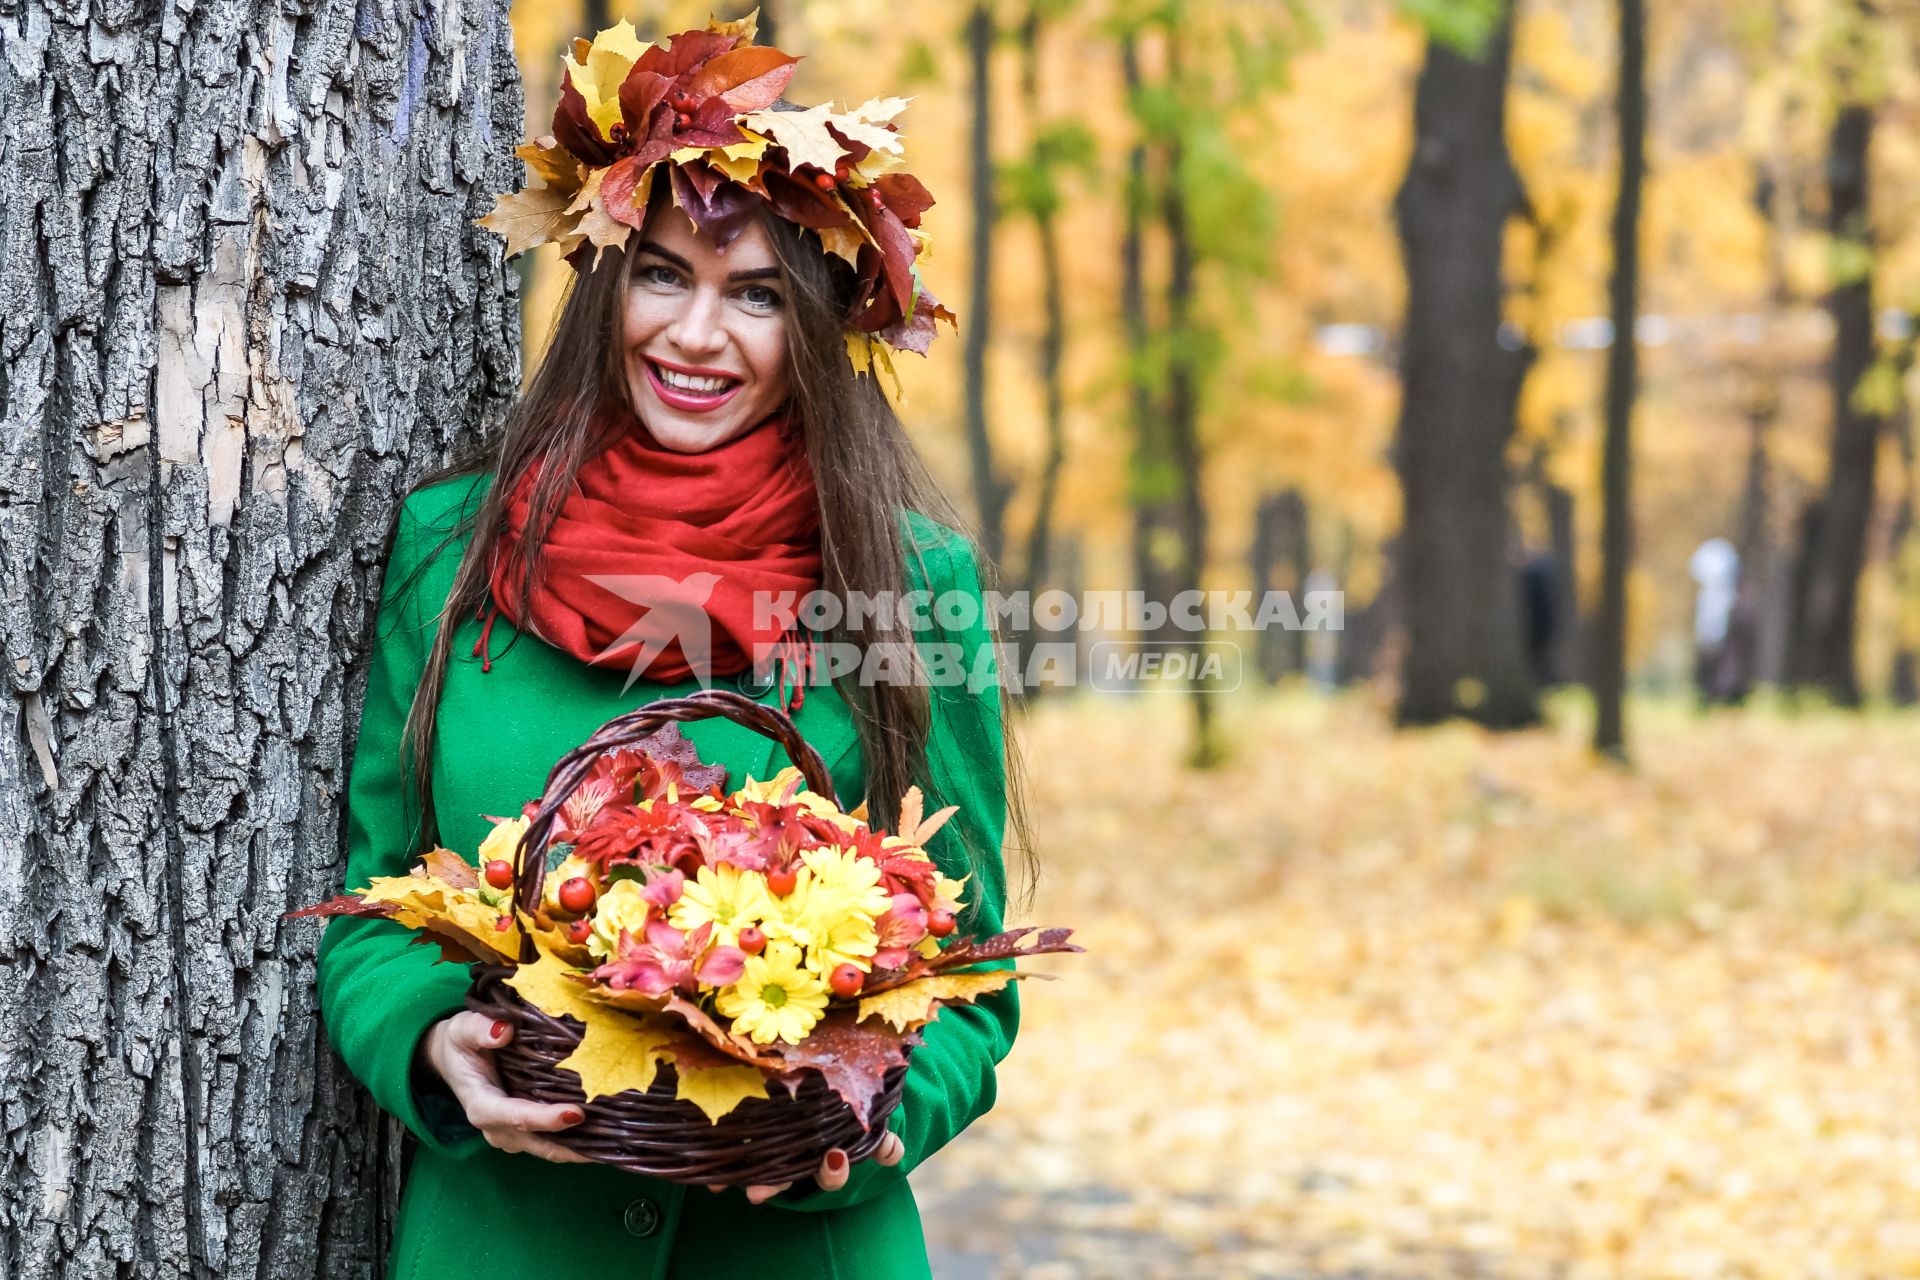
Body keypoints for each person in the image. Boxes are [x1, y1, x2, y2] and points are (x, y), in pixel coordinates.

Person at [315, 17, 1028, 1279]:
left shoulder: (913, 582)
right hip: (507, 1243)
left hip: (800, 1251)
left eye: (755, 293)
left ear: (814, 326)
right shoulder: (448, 549)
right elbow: (372, 900)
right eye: (662, 274)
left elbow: (971, 975)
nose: (698, 336)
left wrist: (861, 1125)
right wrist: (431, 1041)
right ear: (604, 284)